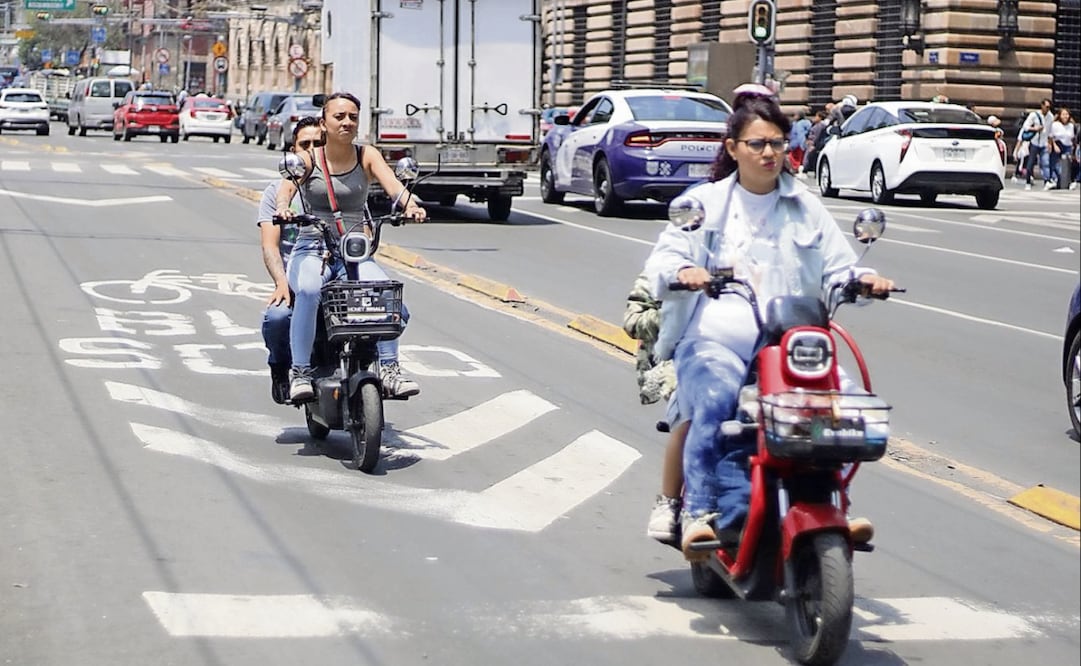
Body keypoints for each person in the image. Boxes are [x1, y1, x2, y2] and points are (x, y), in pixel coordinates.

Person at [643, 83, 893, 560]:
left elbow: (839, 266)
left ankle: (833, 504)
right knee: (716, 401)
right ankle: (699, 513)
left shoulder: (805, 205)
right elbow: (665, 258)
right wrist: (684, 272)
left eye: (777, 142)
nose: (768, 153)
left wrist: (864, 279)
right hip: (715, 341)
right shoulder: (706, 204)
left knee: (839, 408)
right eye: (757, 144)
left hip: (791, 341)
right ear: (733, 148)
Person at [274, 91, 427, 402]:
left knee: (385, 291)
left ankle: (390, 369)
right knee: (308, 290)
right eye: (339, 117)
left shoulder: (366, 155)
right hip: (312, 248)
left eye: (352, 117)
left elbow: (394, 187)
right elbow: (286, 188)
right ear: (324, 122)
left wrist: (412, 205)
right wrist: (283, 207)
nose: (346, 122)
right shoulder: (309, 159)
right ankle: (300, 372)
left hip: (354, 251)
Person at [256, 116, 325, 403]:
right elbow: (270, 246)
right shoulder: (276, 192)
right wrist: (281, 282)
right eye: (304, 144)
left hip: (335, 275)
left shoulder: (340, 185)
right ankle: (281, 367)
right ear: (292, 150)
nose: (311, 150)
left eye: (318, 144)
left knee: (393, 313)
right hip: (295, 280)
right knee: (277, 319)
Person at [623, 273, 687, 546]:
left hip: (735, 354)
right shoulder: (665, 269)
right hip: (673, 362)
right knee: (691, 413)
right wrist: (676, 310)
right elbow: (632, 322)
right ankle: (670, 502)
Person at [1021, 98, 1054, 191]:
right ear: (1042, 106)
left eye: (1049, 107)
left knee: (1045, 163)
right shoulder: (1034, 115)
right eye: (1046, 106)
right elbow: (1025, 126)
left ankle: (1047, 181)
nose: (1047, 109)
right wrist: (1035, 129)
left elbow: (1050, 131)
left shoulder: (1050, 116)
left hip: (1043, 143)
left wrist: (1050, 143)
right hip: (1034, 142)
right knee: (1031, 163)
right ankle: (1028, 181)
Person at [1049, 107, 1074, 189]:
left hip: (1067, 146)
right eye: (1063, 114)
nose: (1065, 116)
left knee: (1067, 165)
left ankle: (1068, 182)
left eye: (1067, 114)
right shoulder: (1055, 124)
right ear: (1060, 115)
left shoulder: (1071, 125)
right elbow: (1051, 136)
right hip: (1058, 144)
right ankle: (1056, 179)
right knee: (1055, 164)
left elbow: (1072, 137)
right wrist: (1054, 145)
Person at [787, 109, 812, 176]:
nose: (794, 117)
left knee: (797, 157)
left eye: (795, 115)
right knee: (793, 157)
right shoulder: (795, 123)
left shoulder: (803, 123)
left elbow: (802, 134)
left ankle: (798, 169)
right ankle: (796, 168)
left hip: (799, 143)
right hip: (795, 142)